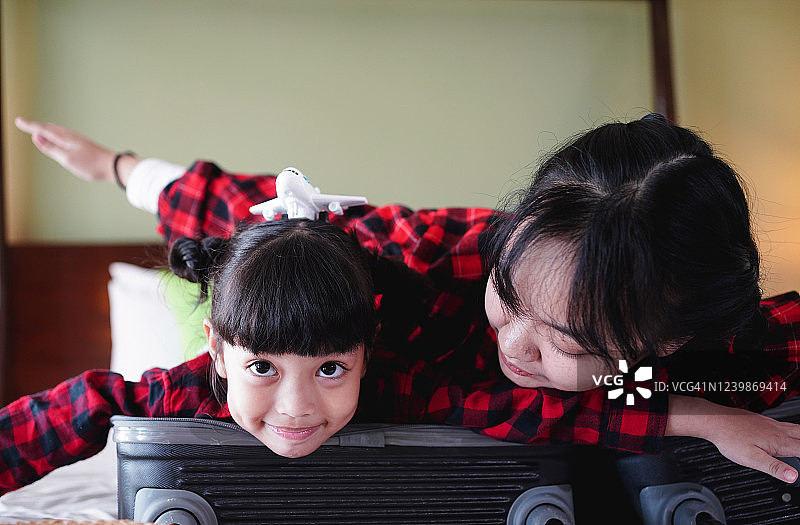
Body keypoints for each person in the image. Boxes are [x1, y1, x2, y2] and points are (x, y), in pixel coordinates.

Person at [11, 115, 800, 486]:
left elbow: (571, 404)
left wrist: (698, 408)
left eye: (561, 338)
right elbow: (263, 215)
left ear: (647, 347)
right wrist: (121, 167)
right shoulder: (406, 261)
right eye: (509, 295)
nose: (514, 344)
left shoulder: (671, 345)